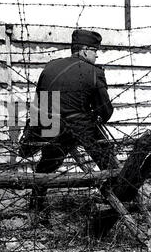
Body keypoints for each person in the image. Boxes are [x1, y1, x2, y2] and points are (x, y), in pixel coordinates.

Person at [30, 29, 119, 212]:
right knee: (108, 162)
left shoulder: (50, 67)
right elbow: (106, 112)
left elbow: (38, 102)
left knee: (46, 166)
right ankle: (118, 197)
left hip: (50, 126)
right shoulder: (94, 72)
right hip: (79, 127)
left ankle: (36, 206)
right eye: (95, 51)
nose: (96, 55)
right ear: (85, 50)